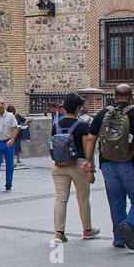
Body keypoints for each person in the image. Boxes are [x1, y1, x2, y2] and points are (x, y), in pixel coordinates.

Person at [84, 84, 134, 250]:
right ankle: (129, 224)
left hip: (107, 163)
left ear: (114, 97)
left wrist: (89, 161)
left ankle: (119, 238)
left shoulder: (102, 114)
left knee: (116, 201)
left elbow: (91, 139)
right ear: (132, 97)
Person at [50, 93, 100, 243]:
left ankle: (59, 233)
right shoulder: (83, 125)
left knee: (60, 199)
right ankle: (87, 229)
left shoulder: (56, 125)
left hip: (59, 165)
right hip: (78, 165)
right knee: (83, 198)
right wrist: (91, 170)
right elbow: (87, 150)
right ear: (78, 108)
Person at [0, 98, 21, 194]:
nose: (0, 105)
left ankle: (8, 185)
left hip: (8, 142)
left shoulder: (10, 116)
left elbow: (15, 129)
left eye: (2, 103)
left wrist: (12, 139)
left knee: (9, 165)